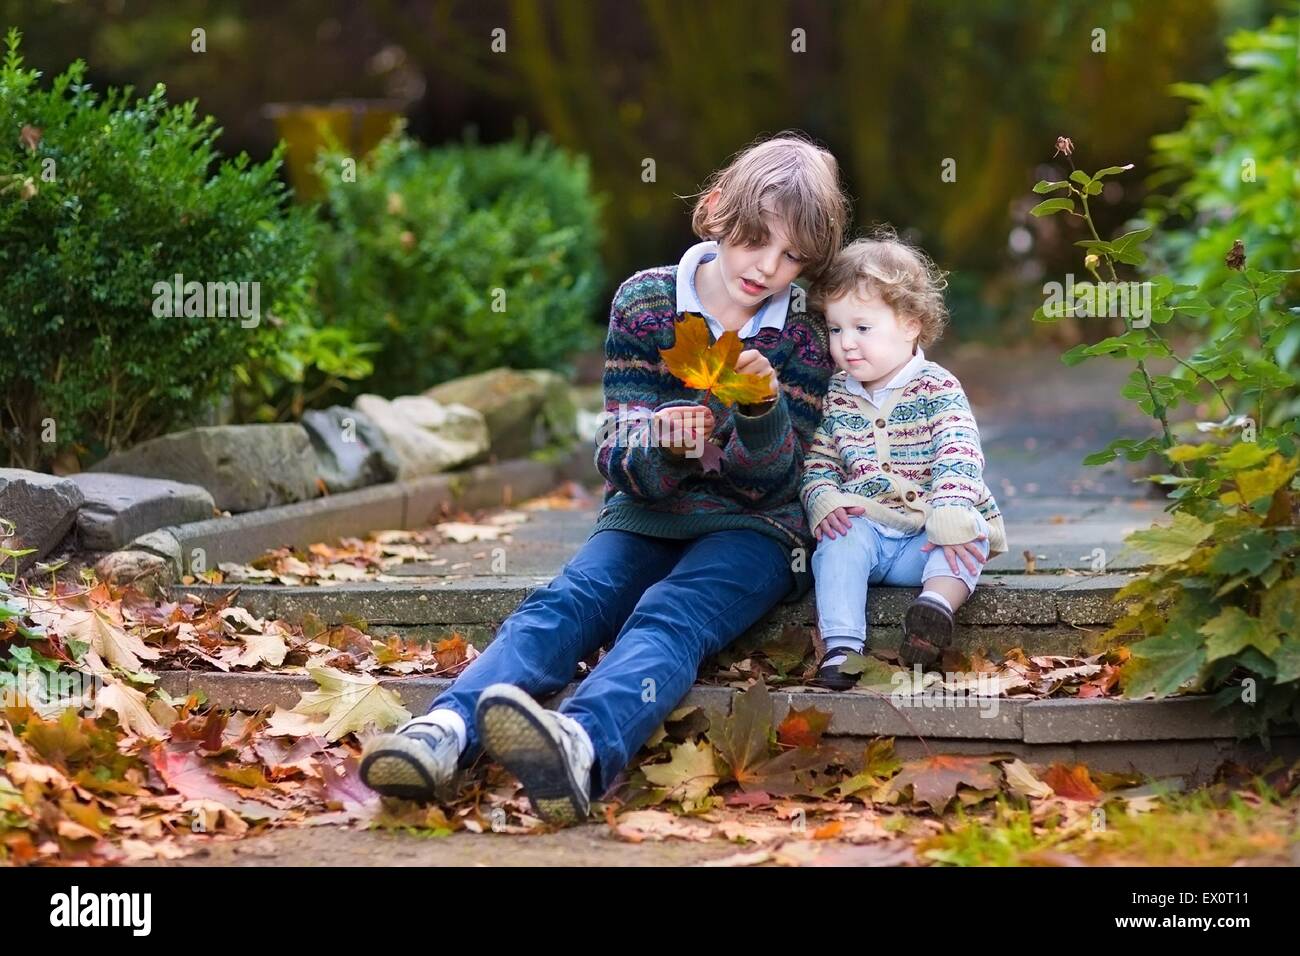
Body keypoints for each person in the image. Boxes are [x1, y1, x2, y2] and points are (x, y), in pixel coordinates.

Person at [360, 132, 847, 825]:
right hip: (647, 514)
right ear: (715, 211)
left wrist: (764, 412)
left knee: (671, 617)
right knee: (570, 601)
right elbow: (617, 456)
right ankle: (444, 733)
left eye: (793, 255)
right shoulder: (646, 302)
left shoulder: (802, 333)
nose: (769, 267)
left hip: (755, 530)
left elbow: (773, 482)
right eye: (756, 239)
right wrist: (663, 445)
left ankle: (581, 747)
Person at [800, 231, 1008, 689]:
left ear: (911, 323)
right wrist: (823, 499)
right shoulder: (837, 394)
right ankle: (841, 647)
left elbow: (959, 451)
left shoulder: (937, 387)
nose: (846, 343)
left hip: (930, 538)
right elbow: (820, 461)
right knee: (837, 541)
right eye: (836, 329)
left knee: (967, 536)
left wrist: (951, 509)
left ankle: (933, 610)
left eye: (862, 328)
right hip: (871, 532)